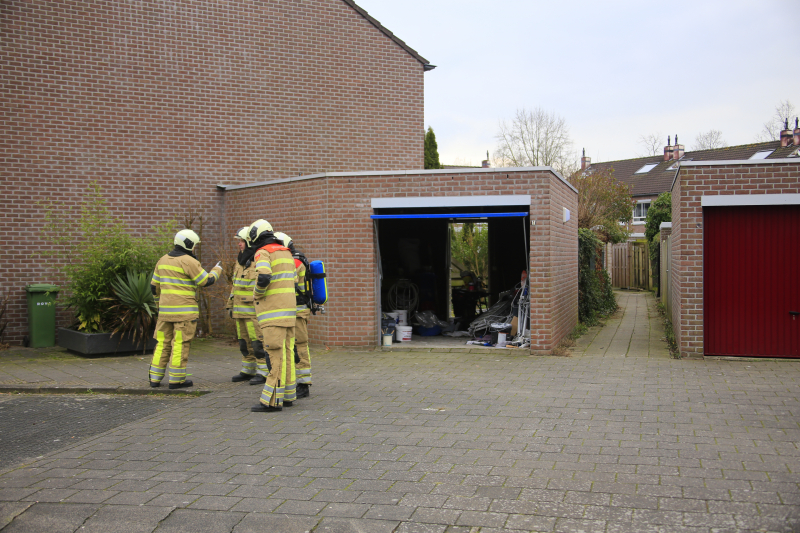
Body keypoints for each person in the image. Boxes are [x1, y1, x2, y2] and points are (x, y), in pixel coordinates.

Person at [149, 229, 222, 389]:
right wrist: (217, 270)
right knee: (179, 344)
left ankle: (154, 378)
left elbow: (154, 287)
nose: (194, 248)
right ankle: (176, 380)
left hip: (165, 314)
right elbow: (205, 281)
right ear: (188, 244)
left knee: (162, 343)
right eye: (194, 245)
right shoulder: (188, 261)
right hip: (184, 314)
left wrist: (159, 306)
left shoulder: (162, 260)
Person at [248, 220, 297, 412]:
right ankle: (287, 396)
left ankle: (271, 401)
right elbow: (293, 279)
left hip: (272, 314)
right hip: (288, 312)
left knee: (273, 356)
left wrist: (257, 294)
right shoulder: (286, 252)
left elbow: (264, 277)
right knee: (286, 354)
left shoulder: (264, 252)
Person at [227, 227, 269, 384]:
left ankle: (263, 372)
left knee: (257, 342)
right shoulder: (240, 261)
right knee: (243, 342)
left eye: (242, 241)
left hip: (253, 311)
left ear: (250, 242)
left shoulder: (258, 261)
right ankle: (247, 370)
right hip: (239, 310)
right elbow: (235, 285)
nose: (239, 244)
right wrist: (230, 305)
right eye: (238, 241)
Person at [274, 232, 312, 399]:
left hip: (297, 311)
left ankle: (303, 383)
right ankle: (293, 380)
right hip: (291, 310)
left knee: (299, 345)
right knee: (291, 347)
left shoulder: (294, 261)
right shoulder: (291, 259)